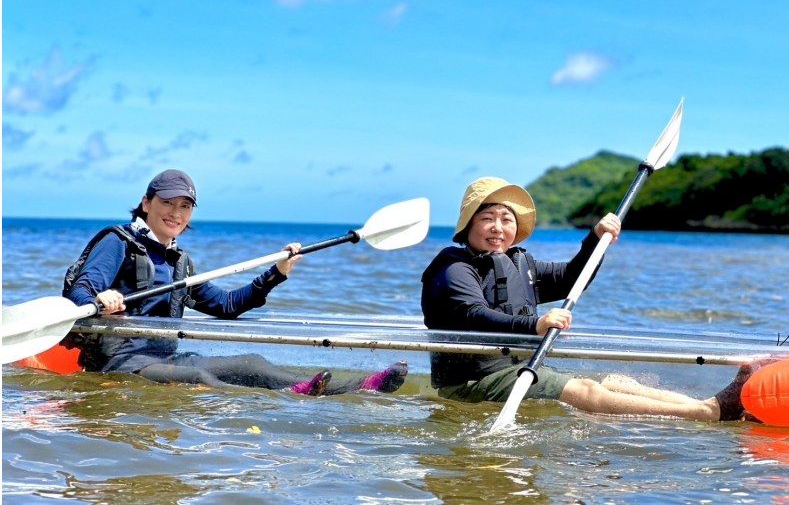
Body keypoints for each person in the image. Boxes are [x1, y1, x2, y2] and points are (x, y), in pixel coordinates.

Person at [420, 176, 752, 422]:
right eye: (486, 218)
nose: (497, 227)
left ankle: (710, 404)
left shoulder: (520, 262)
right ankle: (708, 414)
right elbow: (473, 315)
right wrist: (535, 324)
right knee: (586, 392)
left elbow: (571, 278)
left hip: (518, 368)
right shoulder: (453, 268)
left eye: (506, 220)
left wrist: (594, 240)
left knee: (615, 382)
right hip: (472, 382)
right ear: (469, 226)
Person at [64, 169, 407, 396]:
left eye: (185, 206)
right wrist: (101, 299)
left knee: (253, 364)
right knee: (199, 380)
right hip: (120, 364)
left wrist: (277, 272)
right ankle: (267, 406)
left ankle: (358, 387)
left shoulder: (179, 261)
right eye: (167, 203)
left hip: (164, 360)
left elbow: (226, 306)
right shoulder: (117, 242)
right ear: (146, 203)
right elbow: (82, 290)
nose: (176, 213)